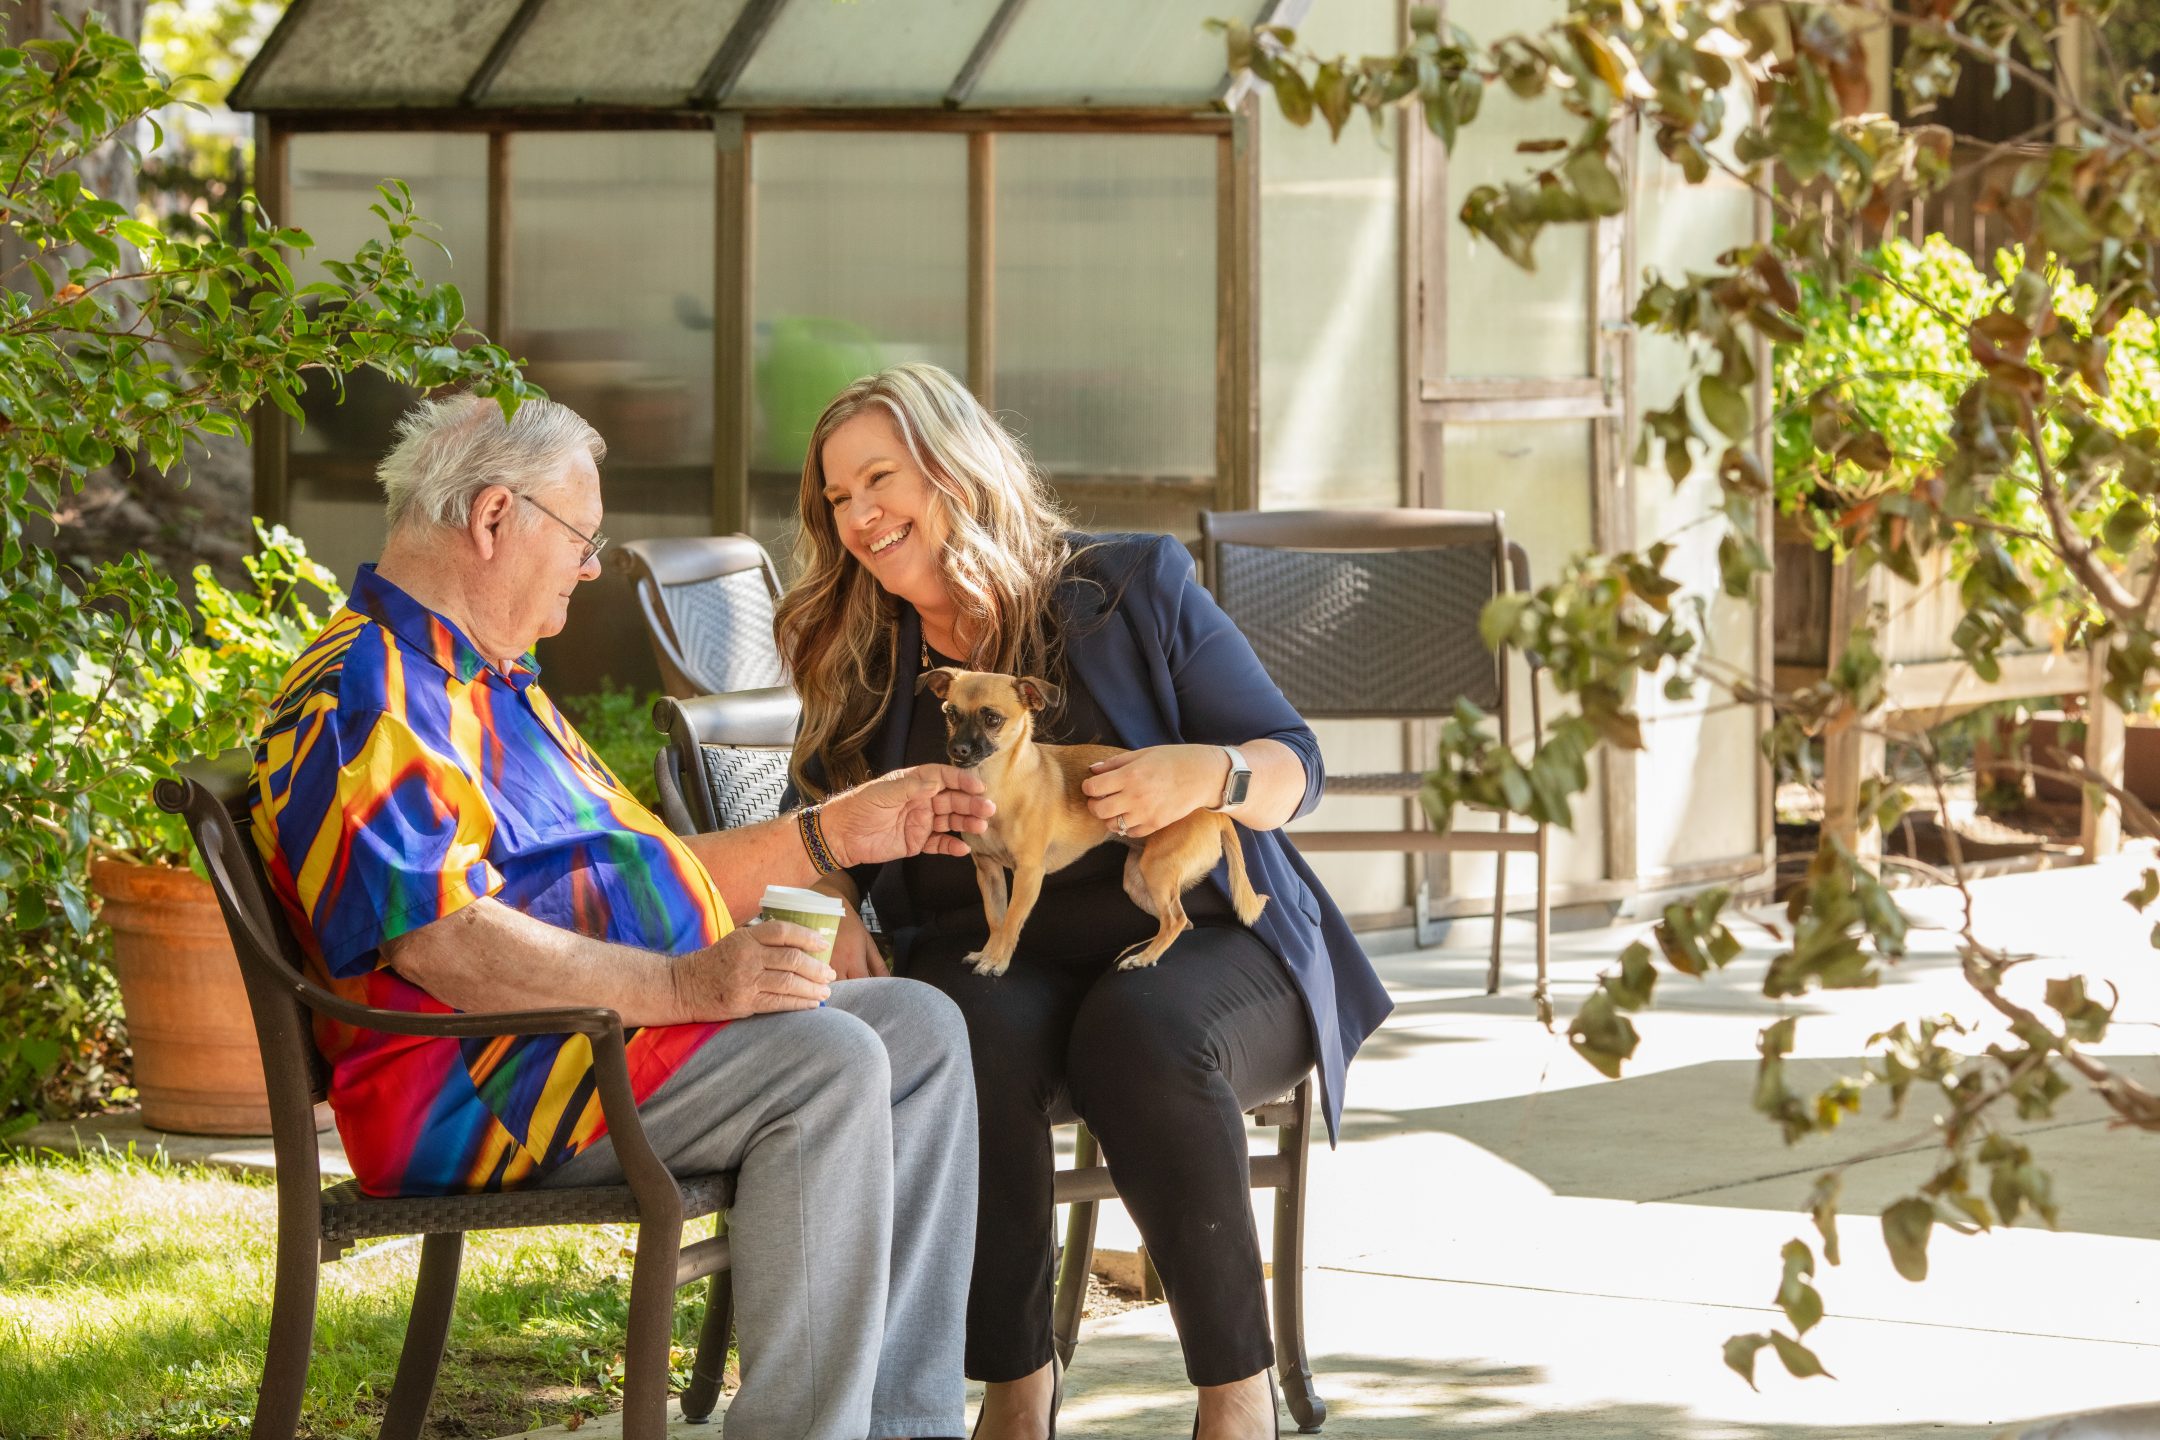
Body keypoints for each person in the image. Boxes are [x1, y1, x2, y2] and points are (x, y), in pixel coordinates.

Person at [249, 393, 992, 1440]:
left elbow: (657, 874)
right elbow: (441, 938)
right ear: (496, 518)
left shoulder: (494, 682)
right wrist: (686, 986)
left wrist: (837, 837)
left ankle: (904, 1430)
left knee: (919, 1030)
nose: (593, 567)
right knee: (829, 1061)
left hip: (591, 1042)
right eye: (583, 539)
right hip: (494, 1077)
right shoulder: (369, 693)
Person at [773, 364, 1394, 1440]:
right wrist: (831, 917)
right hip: (995, 957)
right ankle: (1018, 1391)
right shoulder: (870, 662)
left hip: (1206, 949)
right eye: (838, 499)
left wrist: (1203, 775)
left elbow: (1294, 766)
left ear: (954, 467)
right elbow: (810, 833)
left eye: (881, 478)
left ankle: (1235, 1401)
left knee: (1138, 1028)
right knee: (962, 1029)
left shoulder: (1131, 586)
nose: (862, 516)